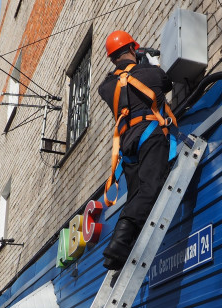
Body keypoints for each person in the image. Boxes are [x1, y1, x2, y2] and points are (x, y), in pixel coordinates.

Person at [97, 30, 176, 270]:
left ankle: (119, 254)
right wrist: (152, 63)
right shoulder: (152, 73)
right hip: (150, 135)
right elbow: (167, 84)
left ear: (112, 59)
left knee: (136, 195)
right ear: (133, 47)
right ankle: (119, 243)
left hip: (128, 144)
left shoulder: (106, 87)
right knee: (150, 188)